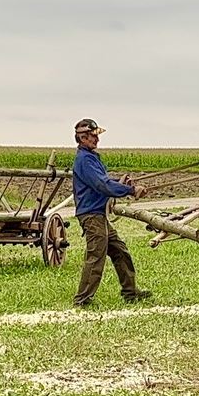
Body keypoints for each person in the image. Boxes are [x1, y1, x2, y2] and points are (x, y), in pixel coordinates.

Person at [71, 118, 151, 307]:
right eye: (93, 136)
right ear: (82, 138)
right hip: (92, 216)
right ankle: (82, 301)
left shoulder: (91, 158)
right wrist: (130, 191)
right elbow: (102, 185)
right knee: (96, 257)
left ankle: (131, 293)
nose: (97, 140)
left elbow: (105, 180)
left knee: (120, 252)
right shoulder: (85, 160)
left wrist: (121, 183)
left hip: (98, 215)